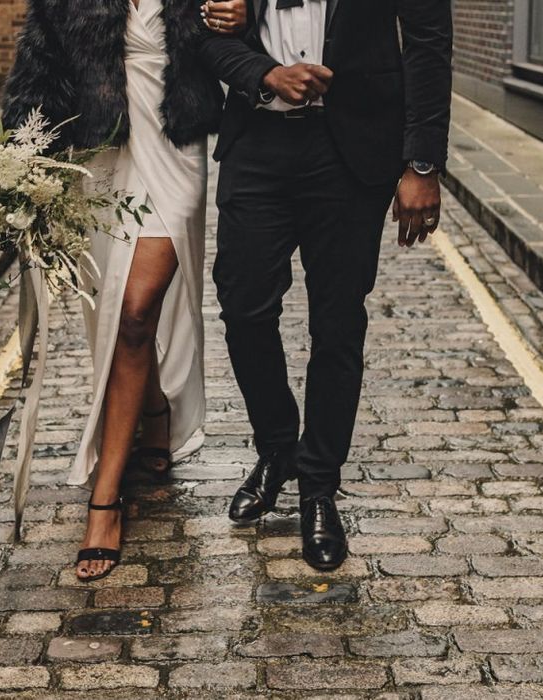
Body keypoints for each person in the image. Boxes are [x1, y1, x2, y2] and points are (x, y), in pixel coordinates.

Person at [197, 0, 453, 570]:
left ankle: (318, 486)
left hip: (351, 151)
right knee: (243, 308)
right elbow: (203, 31)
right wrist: (263, 72)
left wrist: (423, 165)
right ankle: (277, 446)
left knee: (337, 324)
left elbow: (429, 45)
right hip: (257, 145)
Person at [2, 0, 248, 581]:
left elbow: (251, 43)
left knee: (135, 311)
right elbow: (35, 73)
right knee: (113, 316)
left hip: (174, 149)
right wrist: (18, 167)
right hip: (101, 157)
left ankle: (105, 498)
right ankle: (155, 410)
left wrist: (242, 21)